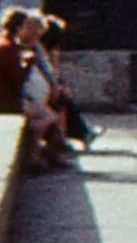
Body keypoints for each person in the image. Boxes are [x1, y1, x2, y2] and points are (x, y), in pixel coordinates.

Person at [0, 7, 70, 173]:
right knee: (48, 115)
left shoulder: (1, 43)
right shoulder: (7, 48)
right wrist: (28, 63)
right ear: (19, 28)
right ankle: (32, 156)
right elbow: (18, 79)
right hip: (0, 102)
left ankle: (38, 154)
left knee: (46, 110)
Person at [34, 13, 100, 150]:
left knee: (63, 99)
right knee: (62, 100)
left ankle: (80, 132)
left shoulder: (45, 51)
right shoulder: (41, 51)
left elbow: (54, 76)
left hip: (44, 88)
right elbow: (52, 75)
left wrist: (60, 85)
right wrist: (58, 85)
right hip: (38, 90)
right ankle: (76, 134)